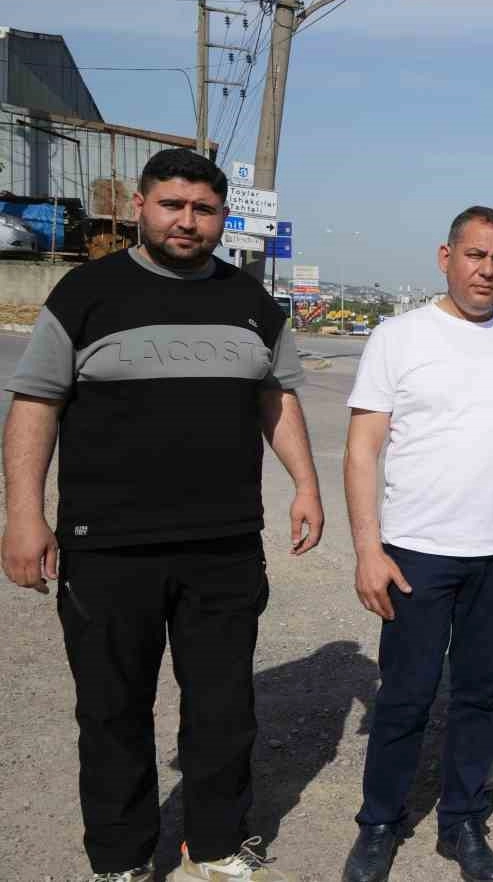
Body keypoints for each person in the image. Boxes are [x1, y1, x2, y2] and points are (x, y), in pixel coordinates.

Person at [1, 148, 322, 882]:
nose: (187, 221)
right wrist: (24, 514)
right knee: (112, 709)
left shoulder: (251, 302)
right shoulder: (86, 294)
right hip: (108, 547)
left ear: (221, 218)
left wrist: (305, 484)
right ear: (140, 207)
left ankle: (214, 841)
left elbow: (276, 396)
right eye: (172, 205)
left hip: (224, 546)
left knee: (223, 707)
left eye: (203, 209)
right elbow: (36, 404)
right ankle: (120, 857)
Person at [340, 207, 493, 882]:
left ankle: (462, 821)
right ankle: (380, 822)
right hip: (416, 551)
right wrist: (368, 550)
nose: (487, 270)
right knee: (405, 693)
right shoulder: (398, 338)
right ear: (446, 256)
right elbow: (362, 449)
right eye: (475, 255)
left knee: (481, 693)